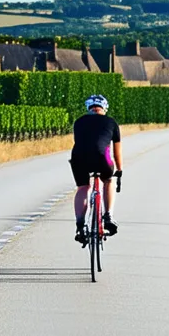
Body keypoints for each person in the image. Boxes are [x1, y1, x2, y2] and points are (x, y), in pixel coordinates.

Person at [69, 94, 122, 244]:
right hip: (102, 158)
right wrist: (119, 170)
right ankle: (108, 215)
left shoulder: (79, 122)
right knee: (108, 180)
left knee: (83, 187)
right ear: (104, 108)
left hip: (78, 157)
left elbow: (82, 142)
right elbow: (117, 152)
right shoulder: (111, 122)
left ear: (89, 108)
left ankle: (80, 224)